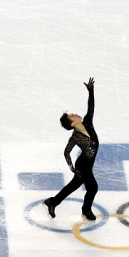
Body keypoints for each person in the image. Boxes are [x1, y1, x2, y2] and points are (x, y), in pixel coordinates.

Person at [44, 77, 100, 221]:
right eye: (72, 116)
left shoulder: (88, 122)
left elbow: (91, 106)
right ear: (73, 124)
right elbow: (66, 152)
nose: (75, 114)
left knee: (74, 185)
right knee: (92, 187)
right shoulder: (75, 137)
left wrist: (91, 91)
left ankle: (53, 202)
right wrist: (72, 168)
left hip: (88, 162)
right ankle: (86, 209)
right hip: (83, 165)